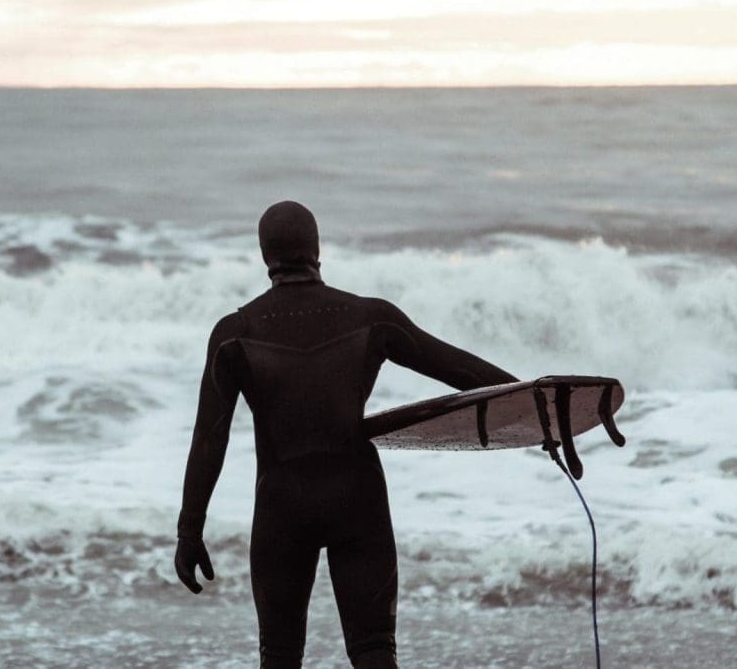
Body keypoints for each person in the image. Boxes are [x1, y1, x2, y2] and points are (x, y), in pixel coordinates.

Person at [175, 201, 518, 668]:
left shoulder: (235, 334)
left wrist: (189, 529)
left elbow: (209, 439)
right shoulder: (370, 317)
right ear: (318, 249)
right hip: (358, 502)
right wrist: (542, 407)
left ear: (263, 256)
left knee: (279, 657)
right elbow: (460, 369)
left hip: (281, 508)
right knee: (375, 653)